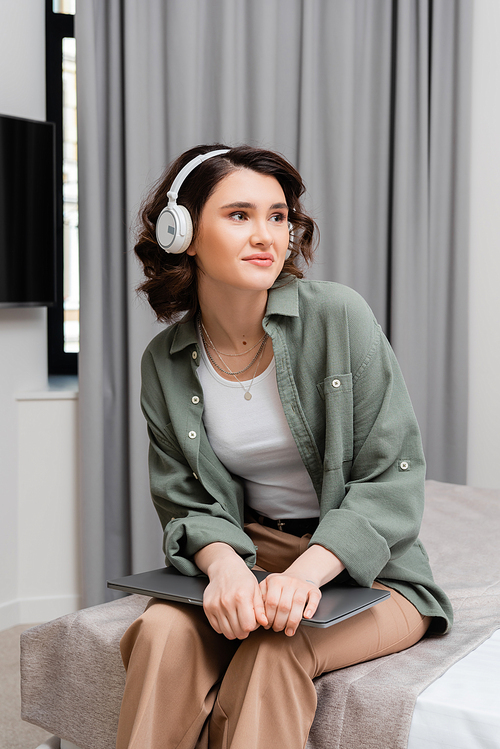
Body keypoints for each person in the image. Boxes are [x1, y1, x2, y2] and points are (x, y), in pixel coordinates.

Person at [116, 144, 452, 749]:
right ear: (183, 233)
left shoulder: (338, 317)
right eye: (240, 215)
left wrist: (302, 577)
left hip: (364, 570)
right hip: (252, 550)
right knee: (163, 632)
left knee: (274, 649)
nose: (268, 235)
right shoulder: (163, 363)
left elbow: (392, 480)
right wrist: (223, 570)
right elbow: (186, 502)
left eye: (278, 216)